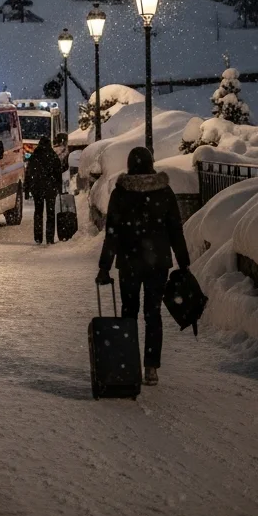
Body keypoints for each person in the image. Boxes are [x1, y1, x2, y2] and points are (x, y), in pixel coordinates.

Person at [96, 146, 191, 387]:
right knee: (153, 314)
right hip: (158, 262)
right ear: (151, 164)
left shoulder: (121, 193)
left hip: (129, 261)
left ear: (130, 165)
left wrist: (105, 266)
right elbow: (175, 230)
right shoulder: (165, 191)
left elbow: (112, 233)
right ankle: (151, 367)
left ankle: (128, 362)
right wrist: (183, 261)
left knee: (129, 311)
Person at [24, 135, 63, 245]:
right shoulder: (53, 156)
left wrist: (27, 189)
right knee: (50, 213)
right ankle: (49, 238)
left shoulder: (34, 157)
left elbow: (28, 174)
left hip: (37, 189)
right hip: (50, 189)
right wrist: (59, 189)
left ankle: (38, 237)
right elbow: (58, 174)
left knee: (38, 212)